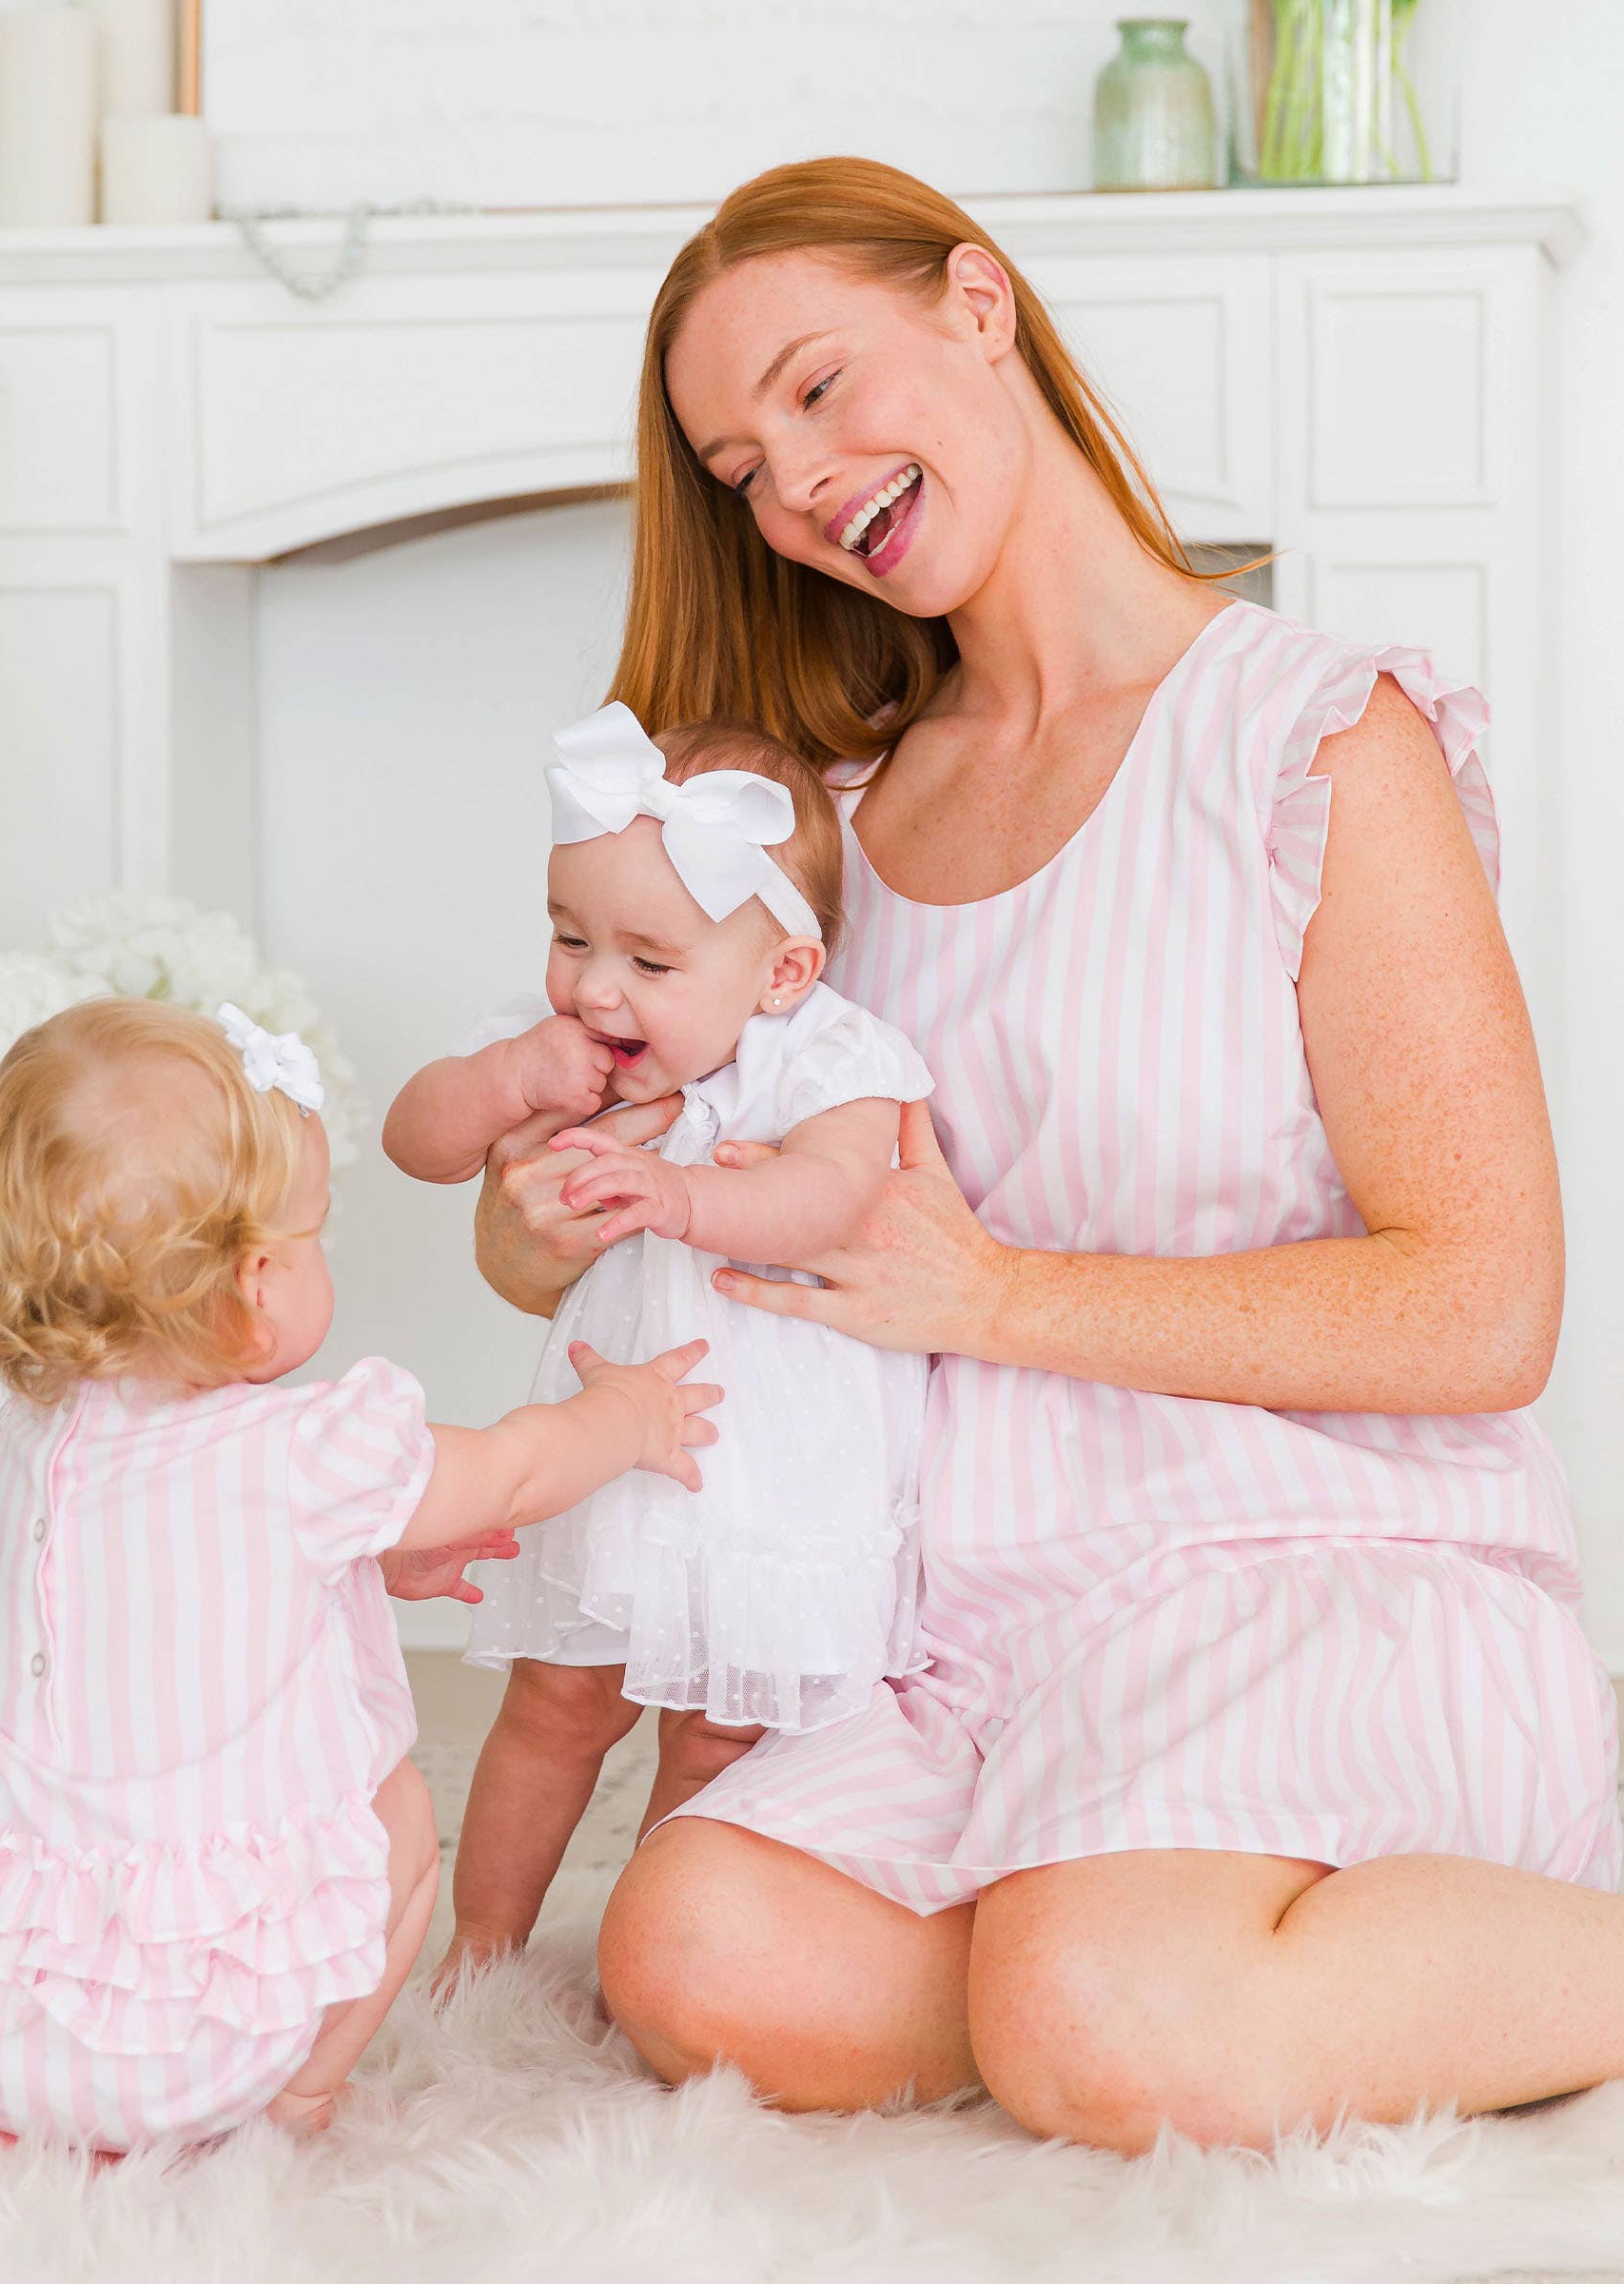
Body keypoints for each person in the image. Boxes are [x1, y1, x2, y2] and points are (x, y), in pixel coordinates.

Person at [471, 156, 1623, 2155]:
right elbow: (693, 1215)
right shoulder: (812, 852)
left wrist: (998, 1300)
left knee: (1106, 2013)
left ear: (980, 307)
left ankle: (1206, 1973)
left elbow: (1487, 1306)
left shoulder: (1315, 744)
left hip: (1308, 1572)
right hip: (979, 1630)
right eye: (742, 463)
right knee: (695, 1948)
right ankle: (1152, 1974)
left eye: (823, 389)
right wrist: (548, 1205)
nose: (798, 484)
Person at [0, 995, 716, 2155]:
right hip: (192, 2044)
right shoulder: (302, 1450)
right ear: (251, 1293)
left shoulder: (41, 1433)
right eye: (315, 1235)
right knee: (392, 1817)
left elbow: (165, 1598)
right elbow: (509, 1475)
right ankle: (289, 2101)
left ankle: (14, 2107)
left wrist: (376, 1556)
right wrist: (623, 1413)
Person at [384, 704, 931, 1971]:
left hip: (769, 1465)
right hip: (613, 1436)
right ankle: (484, 1950)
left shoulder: (826, 1056)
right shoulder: (558, 1039)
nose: (593, 985)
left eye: (649, 961)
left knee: (715, 1735)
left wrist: (685, 1199)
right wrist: (509, 1081)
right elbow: (418, 1140)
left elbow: (836, 1194)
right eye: (570, 936)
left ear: (781, 974)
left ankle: (646, 1956)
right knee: (559, 1700)